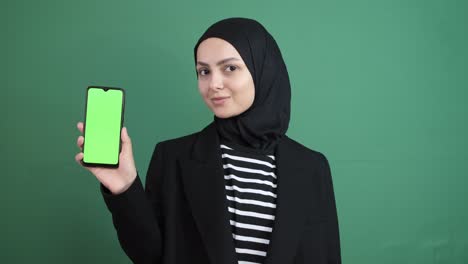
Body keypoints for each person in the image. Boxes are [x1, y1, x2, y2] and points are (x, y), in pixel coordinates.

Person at [75, 17, 341, 264]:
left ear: (263, 69)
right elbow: (151, 257)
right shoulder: (173, 157)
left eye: (230, 68)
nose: (213, 84)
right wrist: (124, 188)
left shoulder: (311, 167)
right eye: (203, 72)